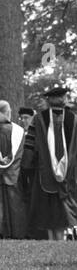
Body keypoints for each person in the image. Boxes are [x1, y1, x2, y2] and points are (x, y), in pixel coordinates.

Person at [21, 87, 77, 241]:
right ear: (63, 100)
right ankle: (72, 237)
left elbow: (30, 147)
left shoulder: (38, 120)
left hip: (45, 173)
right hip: (71, 173)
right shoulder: (76, 120)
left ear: (49, 101)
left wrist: (26, 168)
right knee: (69, 204)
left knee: (49, 207)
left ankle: (53, 238)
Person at [0, 101, 27, 239]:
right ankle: (15, 233)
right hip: (13, 173)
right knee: (13, 205)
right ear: (7, 112)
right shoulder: (17, 131)